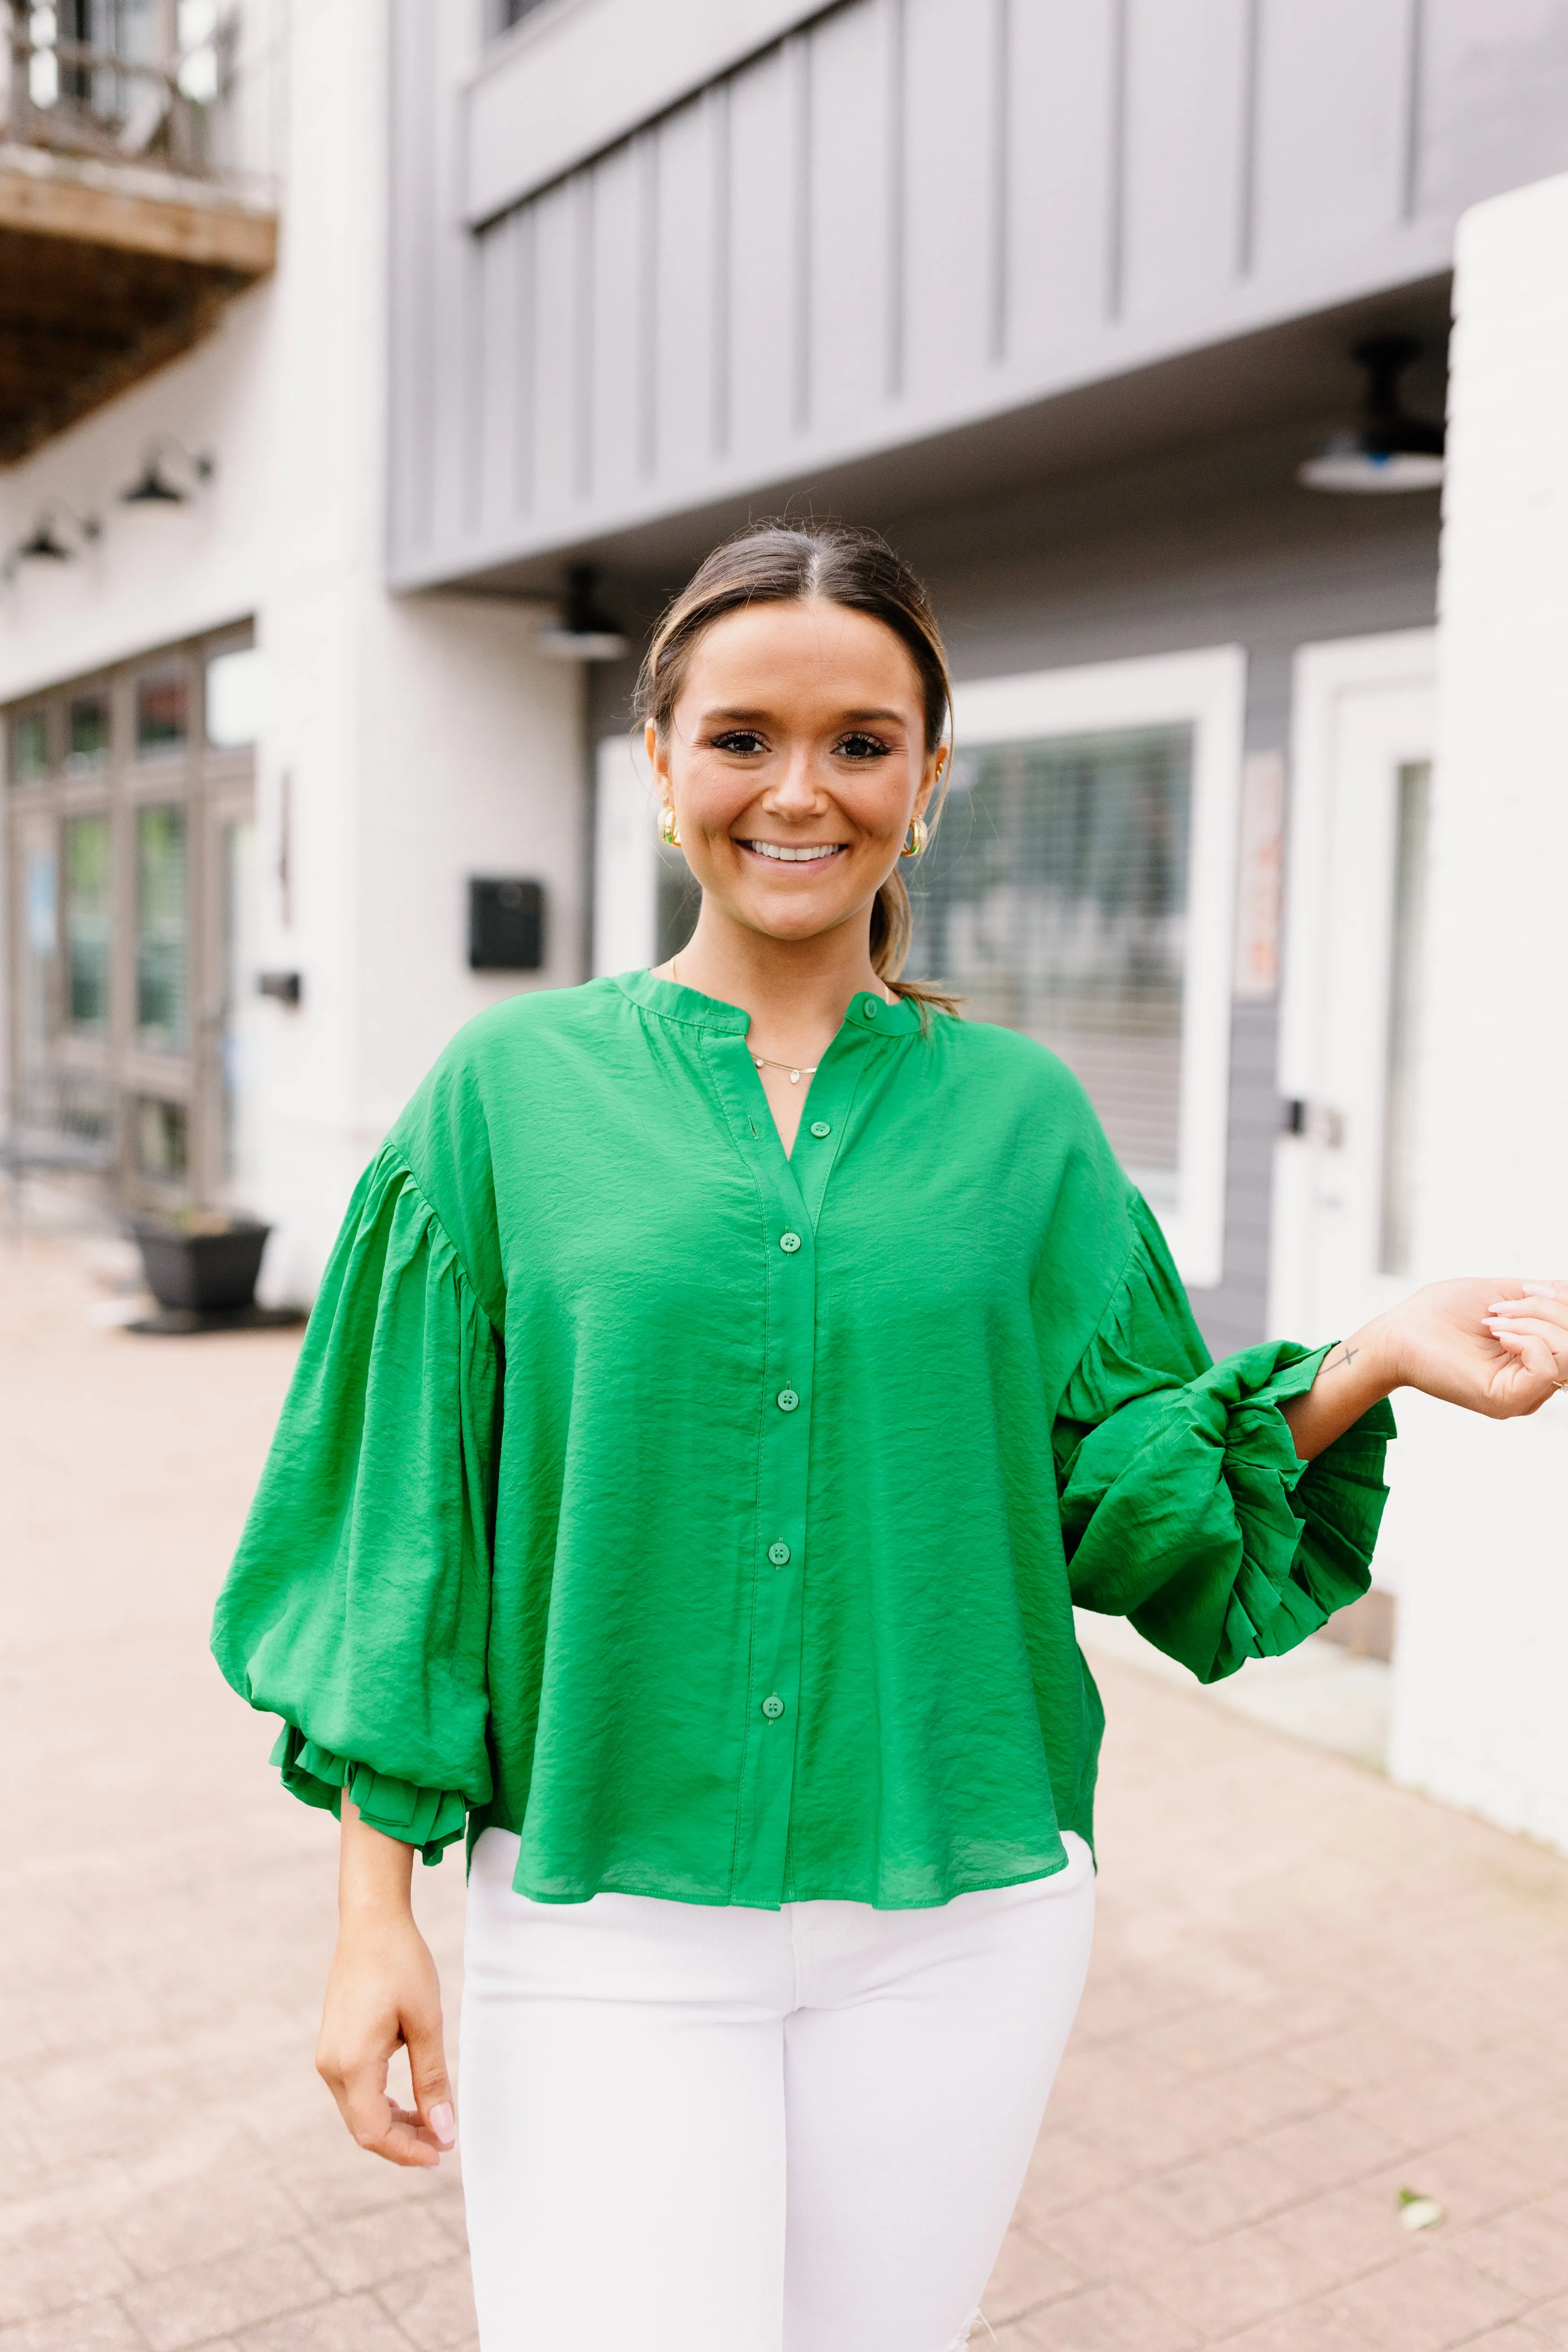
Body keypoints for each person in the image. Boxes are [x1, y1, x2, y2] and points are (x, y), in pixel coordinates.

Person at [212, 521, 1568, 2352]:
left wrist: (1366, 1361)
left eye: (860, 742)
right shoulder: (504, 1101)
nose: (800, 790)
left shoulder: (1027, 1119)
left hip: (966, 1918)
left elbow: (1114, 1488)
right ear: (659, 762)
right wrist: (371, 1912)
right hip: (607, 1908)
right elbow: (405, 1534)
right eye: (744, 736)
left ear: (927, 781)